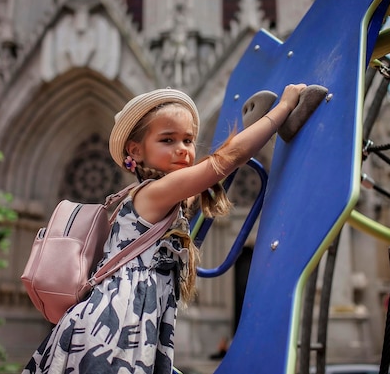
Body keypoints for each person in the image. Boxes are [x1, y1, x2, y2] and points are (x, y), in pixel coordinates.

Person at [22, 84, 306, 374]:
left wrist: (252, 130)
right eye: (168, 140)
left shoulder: (157, 197)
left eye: (188, 140)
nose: (182, 150)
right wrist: (282, 110)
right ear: (135, 150)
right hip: (113, 328)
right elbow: (223, 163)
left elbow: (214, 176)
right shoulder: (155, 193)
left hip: (121, 326)